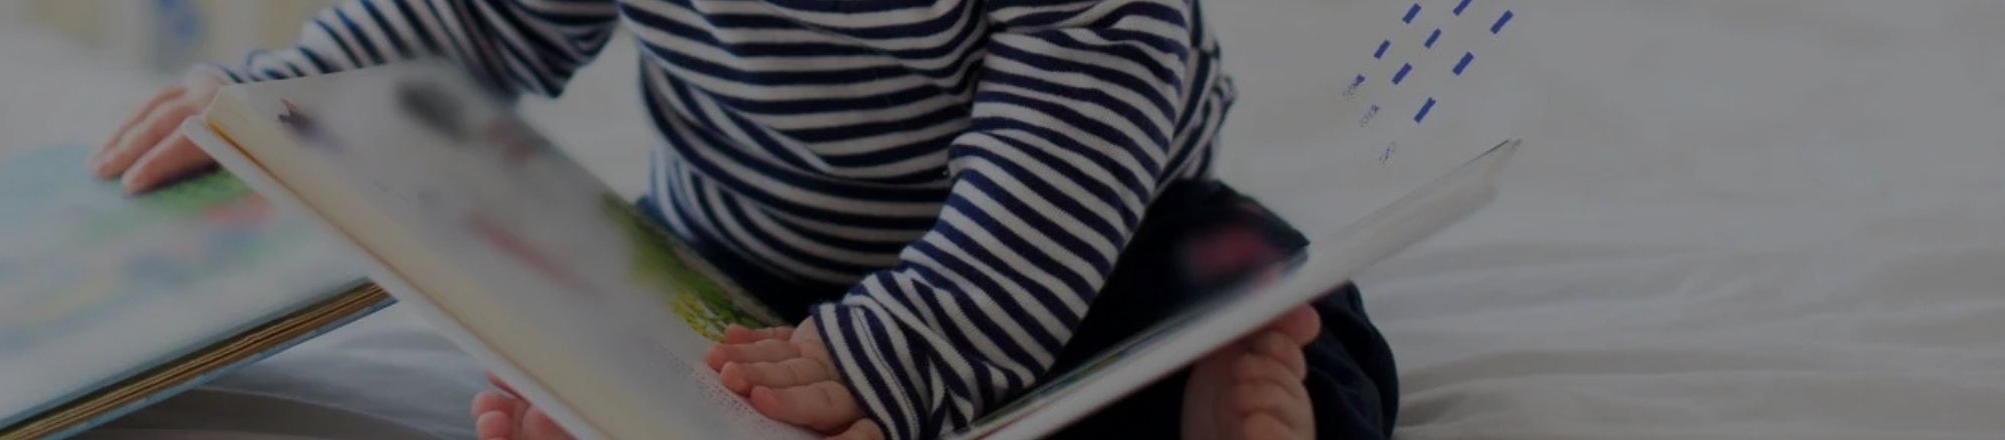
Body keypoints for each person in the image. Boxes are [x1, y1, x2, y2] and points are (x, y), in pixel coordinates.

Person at [87, 1, 1399, 439]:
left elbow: (1074, 133)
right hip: (744, 257)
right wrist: (288, 103)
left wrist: (909, 349)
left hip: (1078, 251)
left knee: (1250, 273)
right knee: (633, 328)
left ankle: (1231, 401)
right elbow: (479, 17)